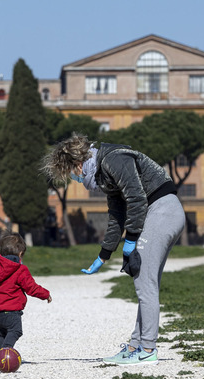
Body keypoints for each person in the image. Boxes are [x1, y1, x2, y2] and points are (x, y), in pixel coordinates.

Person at [42, 133, 185, 365]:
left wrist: (131, 240)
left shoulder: (113, 160)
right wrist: (103, 255)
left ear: (78, 165)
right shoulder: (103, 173)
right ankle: (134, 346)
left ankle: (148, 349)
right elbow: (117, 216)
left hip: (162, 212)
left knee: (144, 283)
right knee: (145, 280)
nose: (74, 179)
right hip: (159, 214)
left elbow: (137, 199)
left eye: (71, 174)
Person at [0, 232, 52, 352]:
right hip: (11, 312)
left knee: (0, 334)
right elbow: (31, 287)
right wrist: (45, 294)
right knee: (15, 331)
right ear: (20, 254)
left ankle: (2, 358)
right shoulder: (20, 269)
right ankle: (6, 351)